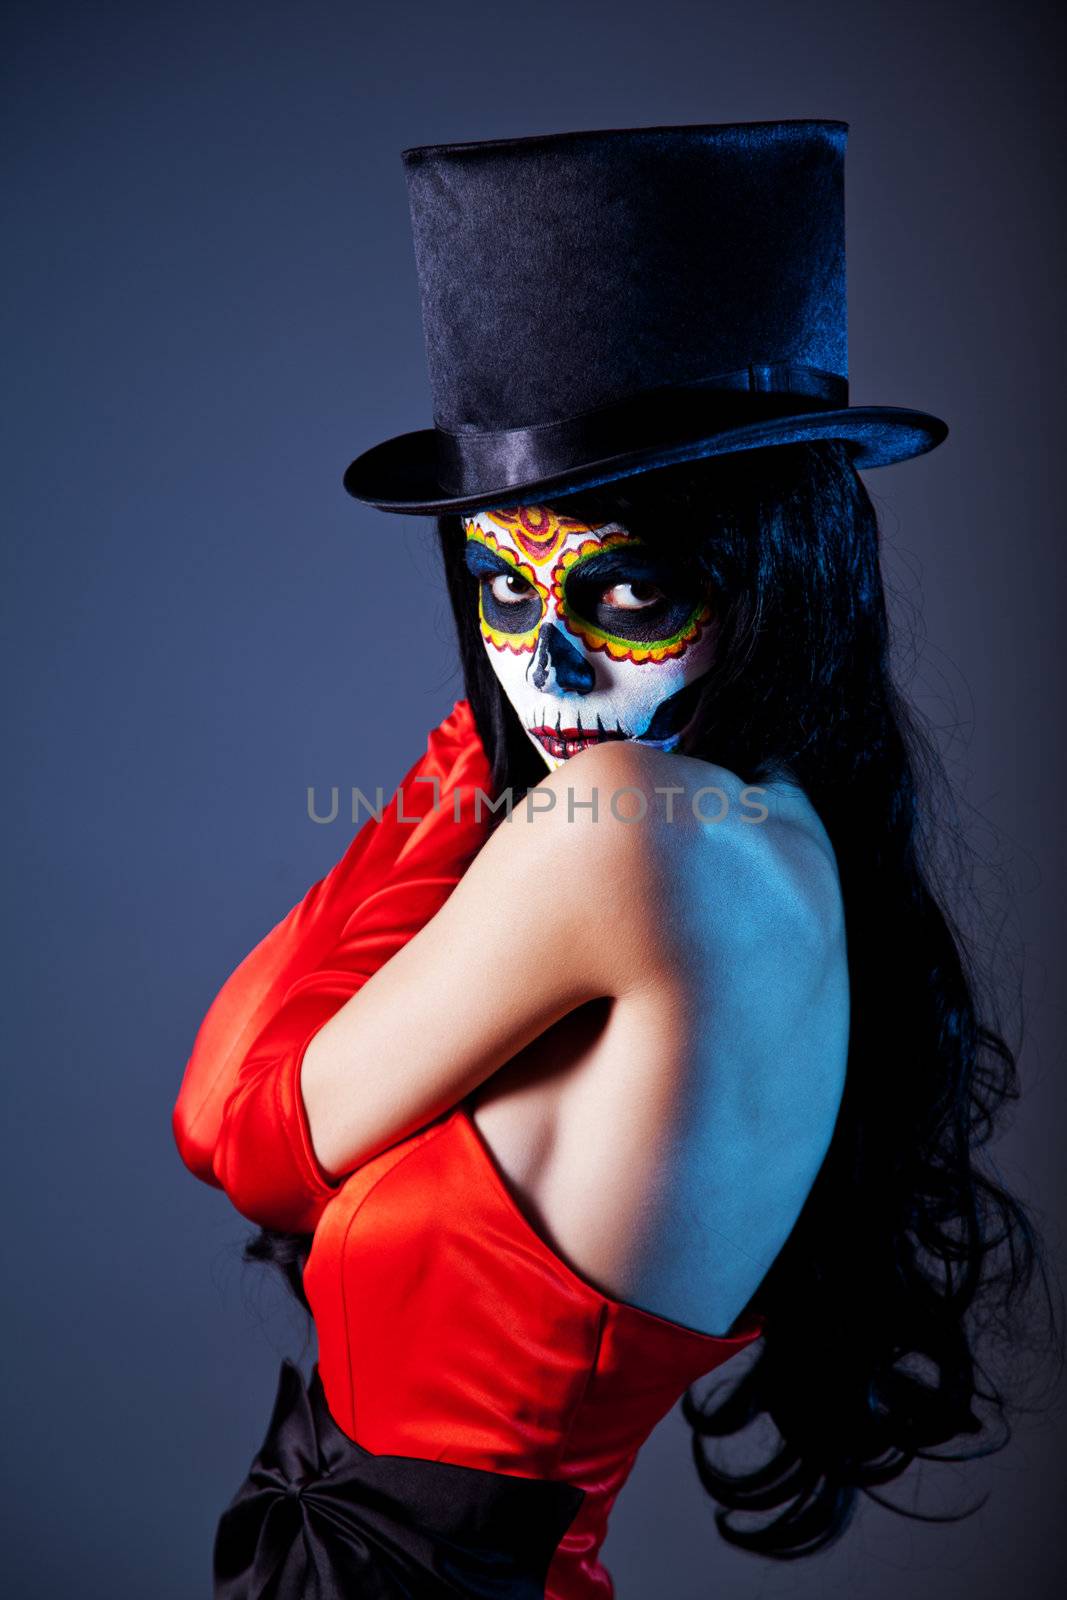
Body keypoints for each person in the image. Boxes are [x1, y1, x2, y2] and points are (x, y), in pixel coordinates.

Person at [172, 122, 1053, 1598]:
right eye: (501, 591)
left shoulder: (632, 839)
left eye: (628, 585)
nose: (553, 672)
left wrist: (474, 746)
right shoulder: (782, 842)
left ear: (780, 577)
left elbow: (233, 1132)